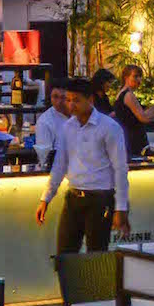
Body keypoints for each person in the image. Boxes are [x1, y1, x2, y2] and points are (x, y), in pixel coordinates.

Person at [36, 77, 131, 254]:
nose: (71, 105)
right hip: (73, 196)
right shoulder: (67, 127)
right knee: (64, 255)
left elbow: (120, 168)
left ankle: (94, 282)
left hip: (100, 198)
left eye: (76, 100)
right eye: (69, 100)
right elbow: (60, 164)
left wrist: (121, 208)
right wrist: (46, 198)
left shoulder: (109, 127)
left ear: (90, 100)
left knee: (96, 256)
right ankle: (69, 282)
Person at [112, 63, 154, 159]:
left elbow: (141, 114)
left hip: (131, 137)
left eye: (140, 77)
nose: (139, 80)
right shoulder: (128, 95)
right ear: (126, 77)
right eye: (135, 76)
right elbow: (143, 118)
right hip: (133, 138)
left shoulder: (124, 94)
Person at [33, 79, 70, 178]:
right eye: (55, 97)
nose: (59, 102)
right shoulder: (45, 121)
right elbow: (44, 156)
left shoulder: (79, 115)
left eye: (63, 97)